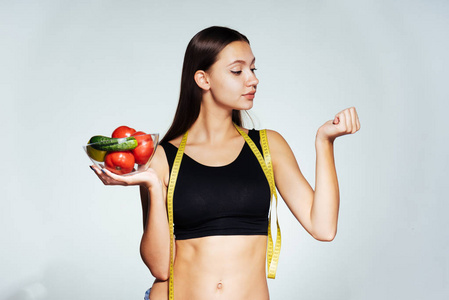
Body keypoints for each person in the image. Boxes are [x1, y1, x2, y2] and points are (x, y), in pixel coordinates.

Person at [91, 26, 360, 300]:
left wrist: (324, 142)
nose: (252, 80)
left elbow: (323, 228)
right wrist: (153, 186)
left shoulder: (268, 146)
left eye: (253, 70)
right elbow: (160, 267)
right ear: (203, 79)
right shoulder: (162, 158)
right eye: (237, 71)